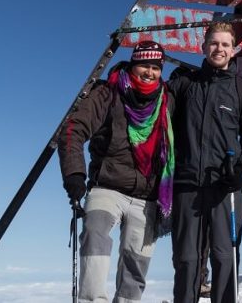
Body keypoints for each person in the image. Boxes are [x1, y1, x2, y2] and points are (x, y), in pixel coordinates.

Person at [58, 41, 175, 303]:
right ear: (133, 65)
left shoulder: (167, 100)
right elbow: (73, 129)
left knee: (137, 262)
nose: (150, 72)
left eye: (156, 67)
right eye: (144, 65)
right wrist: (74, 175)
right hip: (107, 186)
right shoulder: (108, 93)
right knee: (95, 235)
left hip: (147, 194)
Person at [167, 21, 242, 303]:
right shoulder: (184, 82)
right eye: (214, 43)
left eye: (225, 44)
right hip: (187, 184)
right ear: (203, 47)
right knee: (187, 258)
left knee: (224, 256)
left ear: (233, 50)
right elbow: (161, 117)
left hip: (226, 188)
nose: (219, 49)